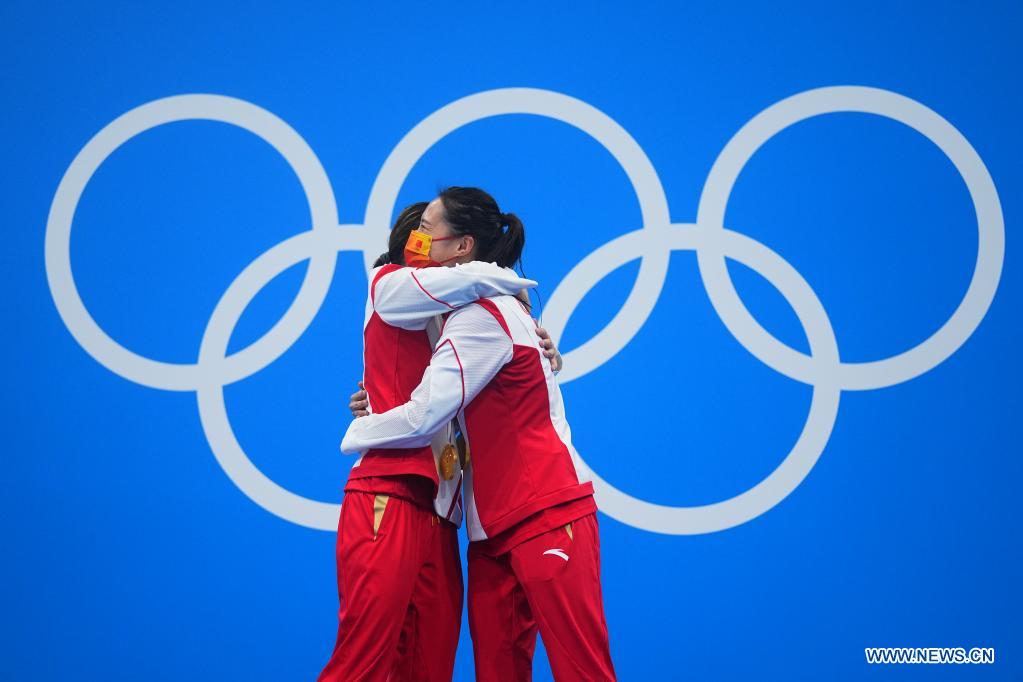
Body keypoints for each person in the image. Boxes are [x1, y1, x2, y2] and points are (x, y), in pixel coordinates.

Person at [341, 187, 617, 681]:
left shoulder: (485, 315)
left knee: (584, 674)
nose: (417, 243)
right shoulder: (452, 301)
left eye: (428, 231)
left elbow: (425, 414)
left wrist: (363, 429)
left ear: (463, 246)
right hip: (487, 531)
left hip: (545, 512)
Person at [318, 202, 540, 682]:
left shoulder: (466, 317)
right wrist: (508, 281)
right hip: (388, 491)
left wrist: (535, 336)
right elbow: (461, 281)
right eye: (417, 230)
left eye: (428, 230)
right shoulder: (389, 284)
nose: (421, 239)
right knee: (361, 665)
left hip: (441, 517)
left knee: (427, 668)